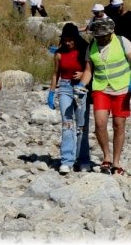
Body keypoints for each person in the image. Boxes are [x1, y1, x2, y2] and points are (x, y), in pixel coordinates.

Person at [80, 14, 131, 175]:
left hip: (122, 89)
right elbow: (88, 70)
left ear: (110, 32)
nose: (101, 39)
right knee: (100, 124)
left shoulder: (122, 41)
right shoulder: (92, 46)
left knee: (118, 125)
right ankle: (106, 157)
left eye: (103, 36)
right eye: (98, 36)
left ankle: (116, 161)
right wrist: (81, 85)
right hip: (101, 88)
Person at [47, 23, 92, 173]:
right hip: (65, 87)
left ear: (76, 39)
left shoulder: (84, 50)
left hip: (81, 88)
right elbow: (55, 73)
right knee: (67, 124)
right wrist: (52, 92)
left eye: (71, 40)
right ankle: (67, 160)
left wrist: (82, 76)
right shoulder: (59, 54)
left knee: (81, 125)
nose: (68, 43)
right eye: (65, 40)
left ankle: (83, 159)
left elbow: (90, 69)